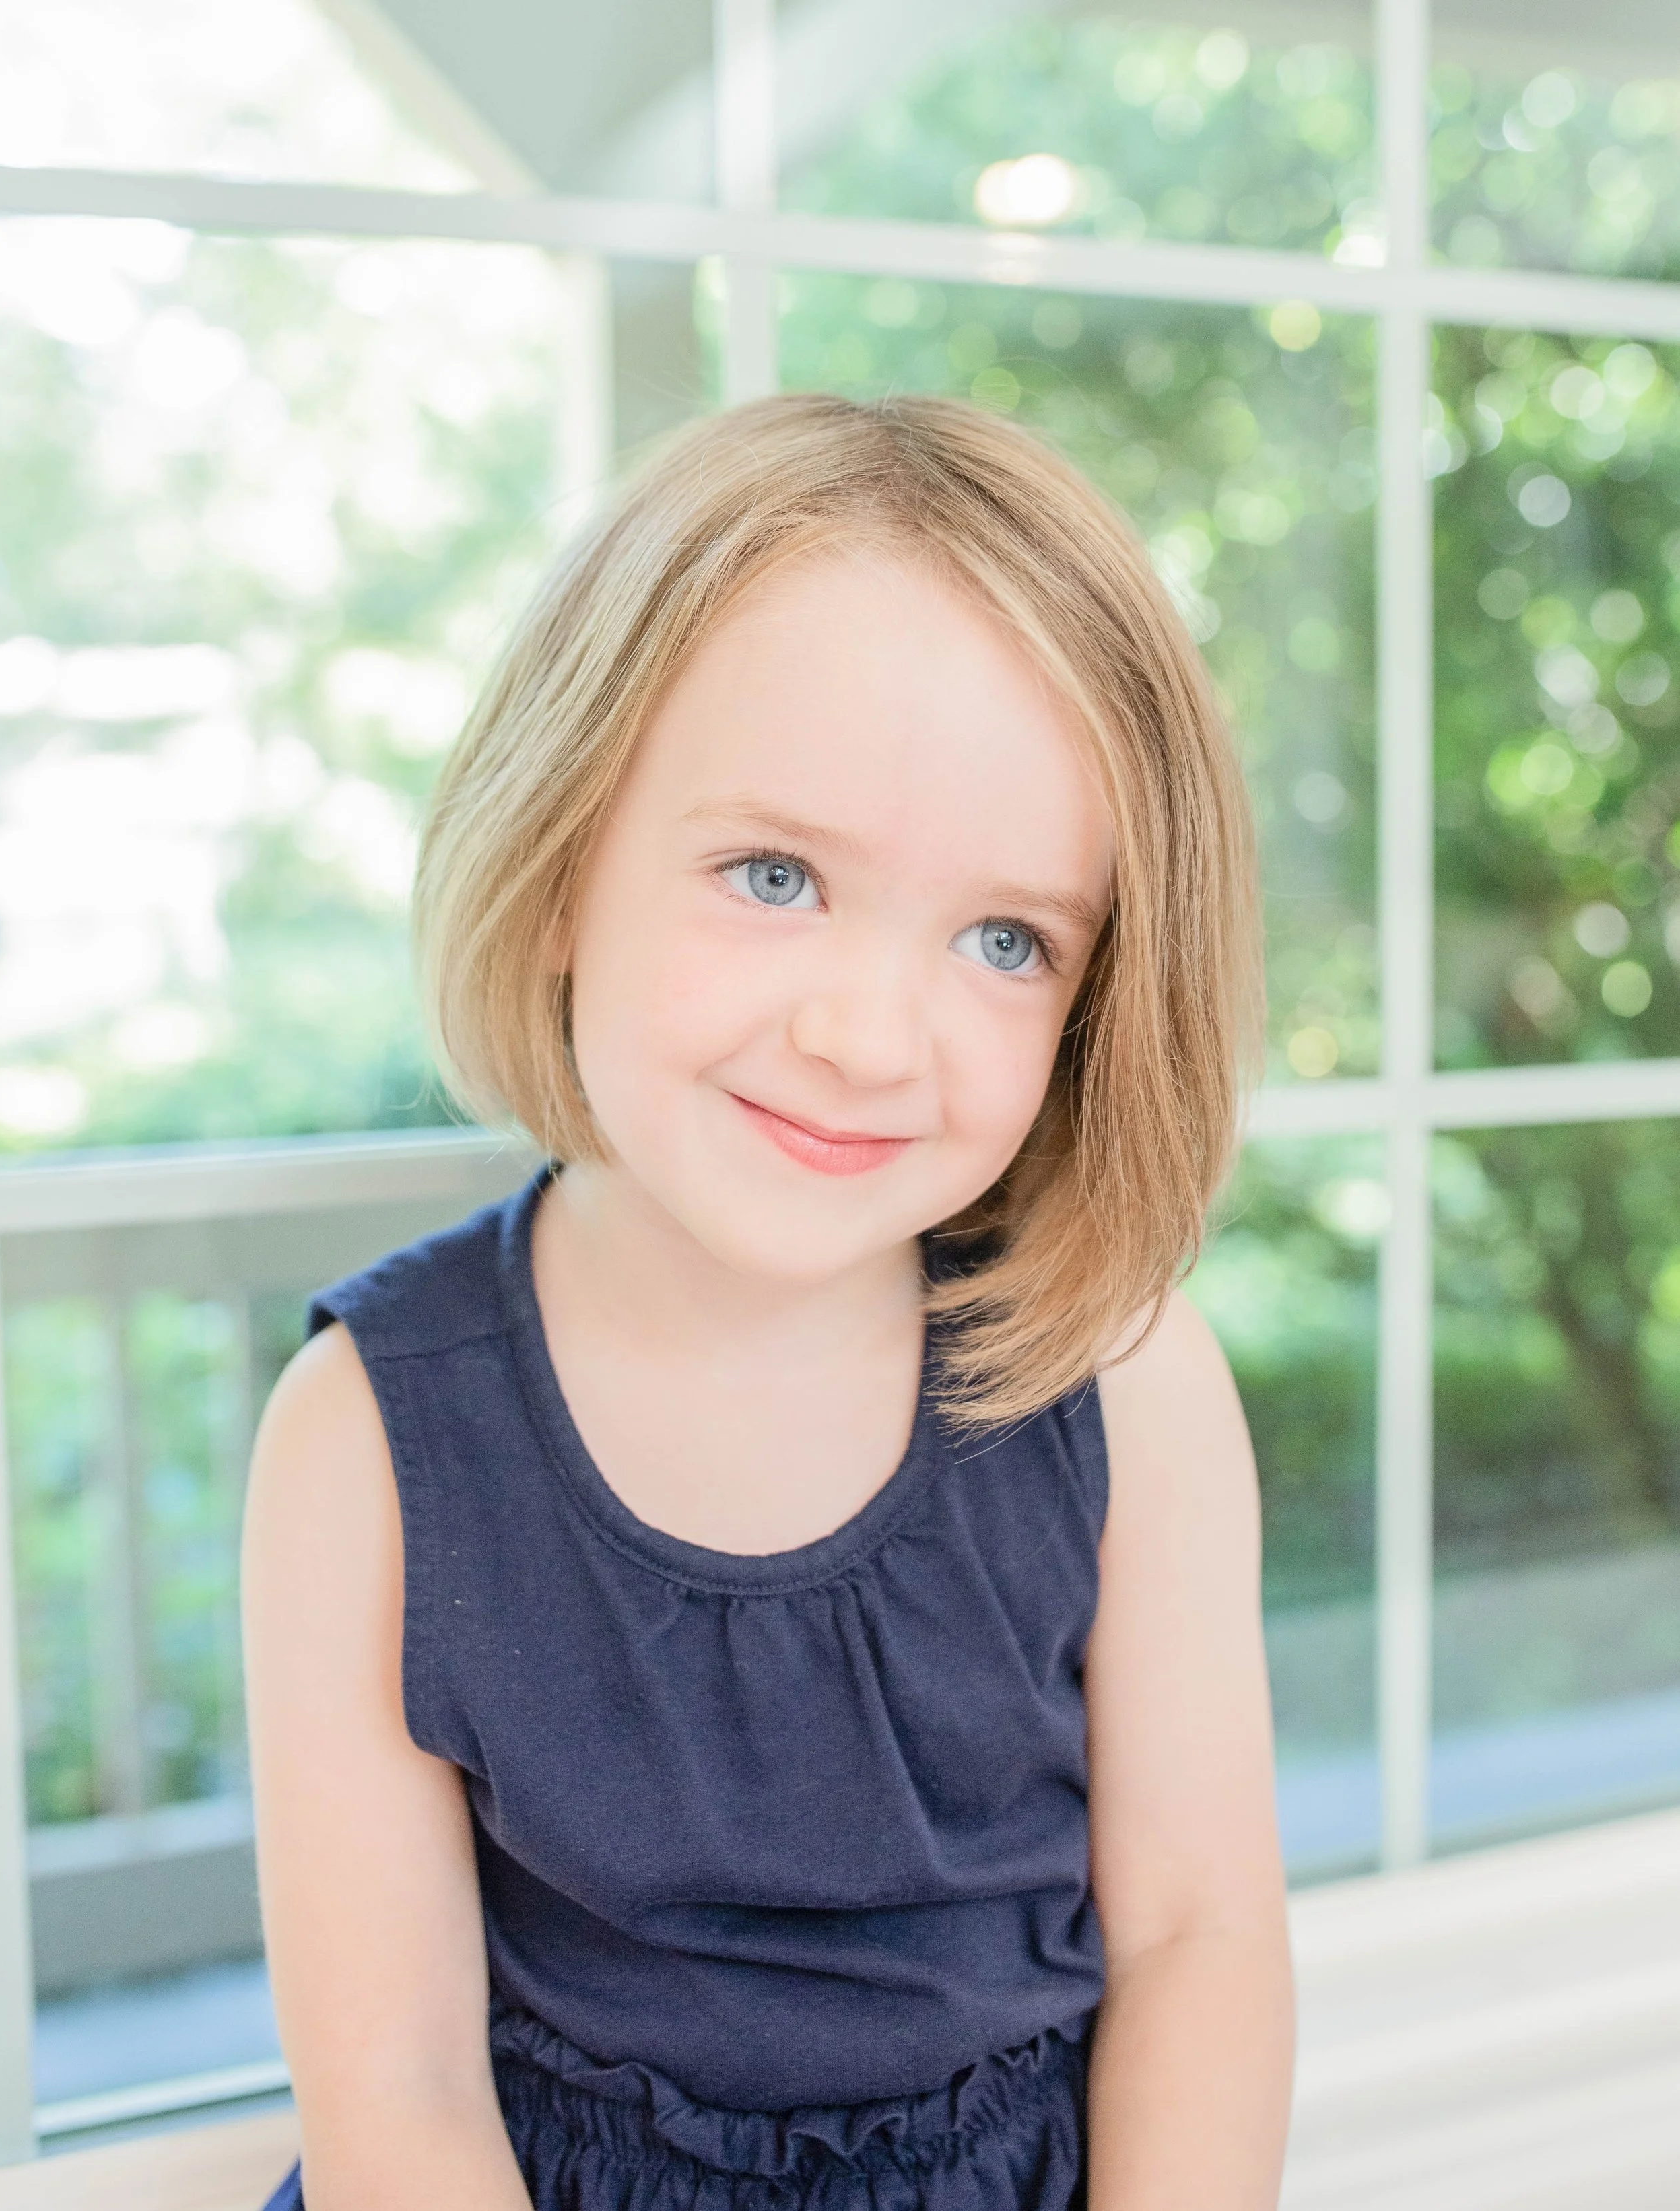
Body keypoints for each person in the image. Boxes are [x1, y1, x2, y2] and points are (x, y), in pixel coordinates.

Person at [242, 392, 1293, 2211]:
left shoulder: (1126, 1381)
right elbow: (396, 2087)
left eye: (1001, 939)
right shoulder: (363, 1436)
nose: (866, 1036)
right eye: (773, 875)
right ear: (566, 855)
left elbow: (1199, 1935)